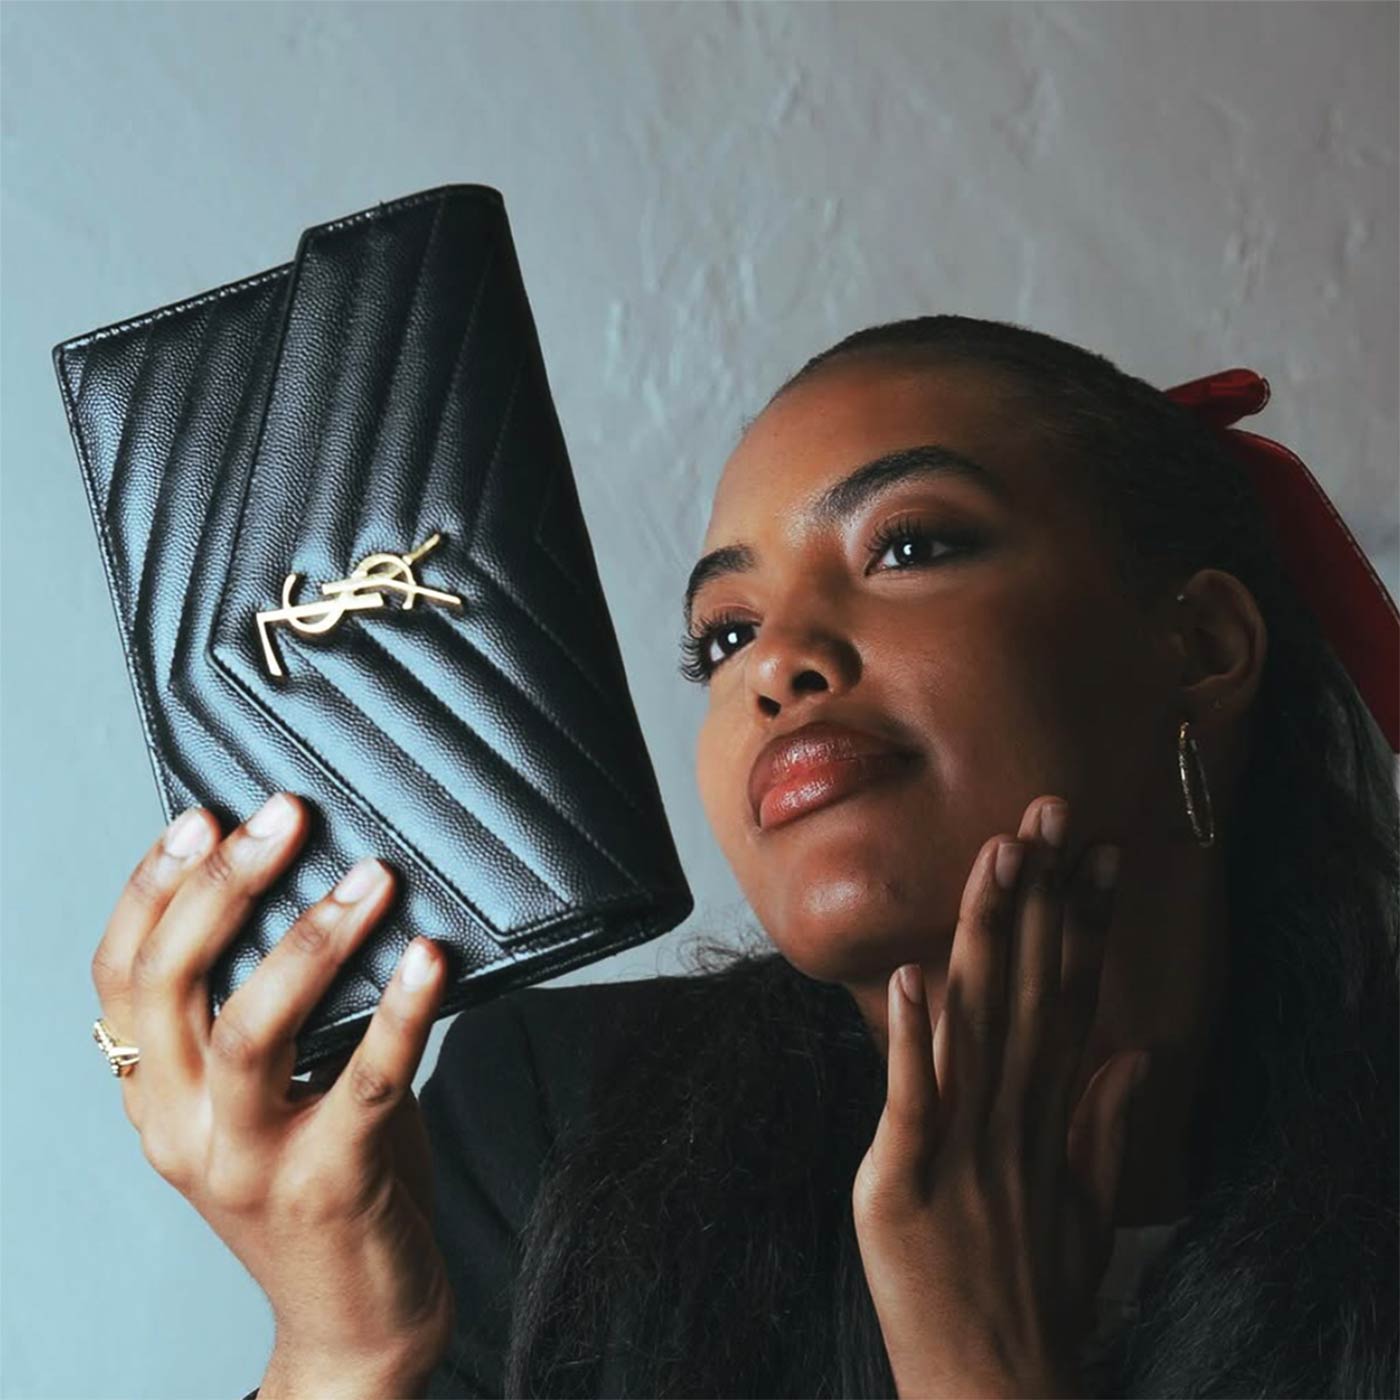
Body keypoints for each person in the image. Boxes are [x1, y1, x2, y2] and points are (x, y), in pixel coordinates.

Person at [90, 314, 1399, 1399]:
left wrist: (977, 1367)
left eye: (909, 545)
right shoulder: (544, 1131)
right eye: (723, 634)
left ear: (1203, 646)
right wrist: (340, 1351)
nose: (777, 661)